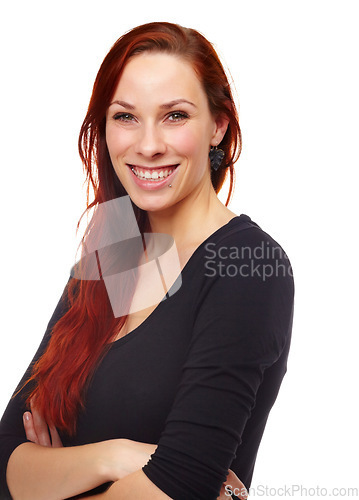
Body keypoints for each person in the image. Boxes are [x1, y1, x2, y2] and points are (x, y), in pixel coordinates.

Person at [0, 22, 294, 500]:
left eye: (175, 116)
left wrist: (57, 474)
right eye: (126, 117)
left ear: (218, 125)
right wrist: (113, 456)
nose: (148, 144)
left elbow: (180, 484)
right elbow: (7, 457)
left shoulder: (250, 264)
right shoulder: (115, 248)